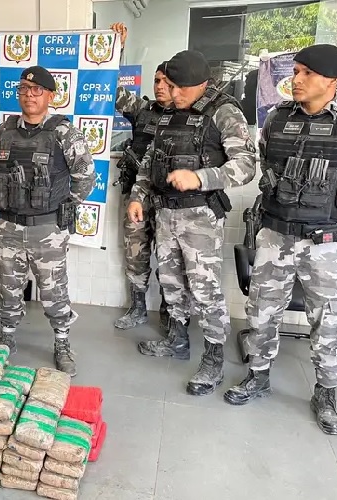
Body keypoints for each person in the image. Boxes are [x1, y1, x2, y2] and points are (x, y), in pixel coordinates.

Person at [224, 45, 337, 435]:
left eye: (307, 73)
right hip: (275, 234)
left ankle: (326, 393)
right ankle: (258, 376)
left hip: (325, 242)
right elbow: (267, 163)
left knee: (328, 320)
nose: (296, 79)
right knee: (261, 312)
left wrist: (335, 208)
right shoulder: (277, 118)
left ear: (333, 81)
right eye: (296, 71)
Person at [128, 50, 256, 395]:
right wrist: (138, 196)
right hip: (165, 214)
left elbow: (246, 165)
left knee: (205, 291)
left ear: (202, 84)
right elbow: (150, 161)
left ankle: (213, 360)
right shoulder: (169, 113)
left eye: (180, 87)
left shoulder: (224, 112)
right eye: (169, 85)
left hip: (200, 217)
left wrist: (201, 177)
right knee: (171, 282)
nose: (173, 93)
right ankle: (177, 340)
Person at [0, 66, 95, 376]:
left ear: (50, 96)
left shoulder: (64, 132)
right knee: (8, 286)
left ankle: (62, 343)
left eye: (37, 90)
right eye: (23, 89)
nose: (29, 95)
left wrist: (59, 207)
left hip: (47, 229)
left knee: (53, 290)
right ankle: (7, 337)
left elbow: (85, 177)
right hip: (9, 225)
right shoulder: (4, 131)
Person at [110, 23, 171, 331]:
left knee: (171, 259)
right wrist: (115, 48)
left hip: (169, 199)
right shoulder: (143, 109)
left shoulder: (188, 119)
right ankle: (137, 308)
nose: (159, 86)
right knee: (136, 252)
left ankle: (171, 313)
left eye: (166, 82)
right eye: (157, 80)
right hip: (137, 196)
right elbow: (111, 89)